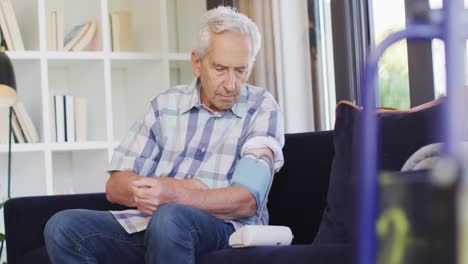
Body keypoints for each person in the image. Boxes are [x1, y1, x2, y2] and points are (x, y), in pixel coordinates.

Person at [44, 6, 284, 263]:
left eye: (240, 70)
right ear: (196, 62)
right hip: (150, 225)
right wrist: (162, 190)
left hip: (224, 228)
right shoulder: (165, 104)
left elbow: (247, 200)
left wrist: (174, 195)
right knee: (63, 227)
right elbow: (115, 186)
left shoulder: (261, 107)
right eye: (220, 69)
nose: (231, 84)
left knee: (170, 218)